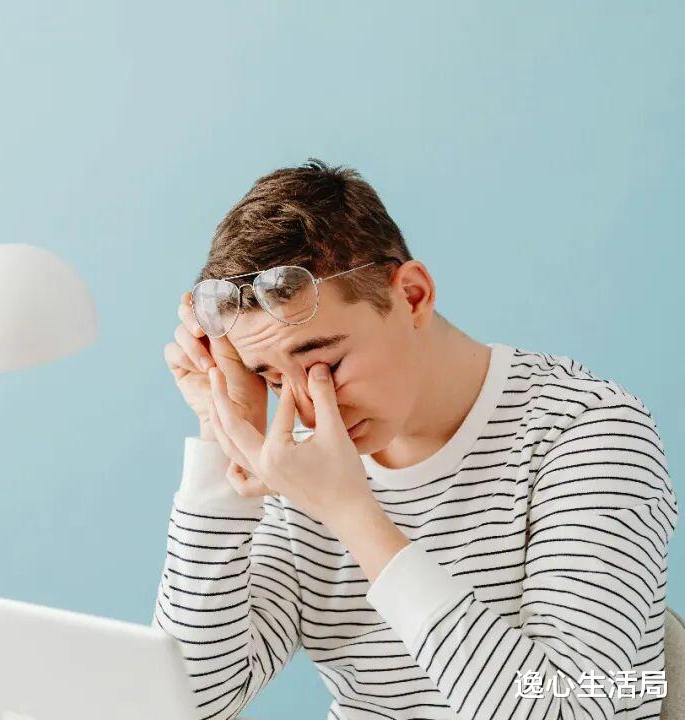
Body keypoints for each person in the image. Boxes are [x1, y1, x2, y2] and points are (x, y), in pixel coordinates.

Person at [155, 159, 678, 720]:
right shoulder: (297, 462)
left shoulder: (587, 432)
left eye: (325, 364)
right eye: (272, 379)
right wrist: (224, 434)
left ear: (411, 295)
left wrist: (351, 514)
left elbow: (574, 708)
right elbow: (186, 708)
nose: (305, 407)